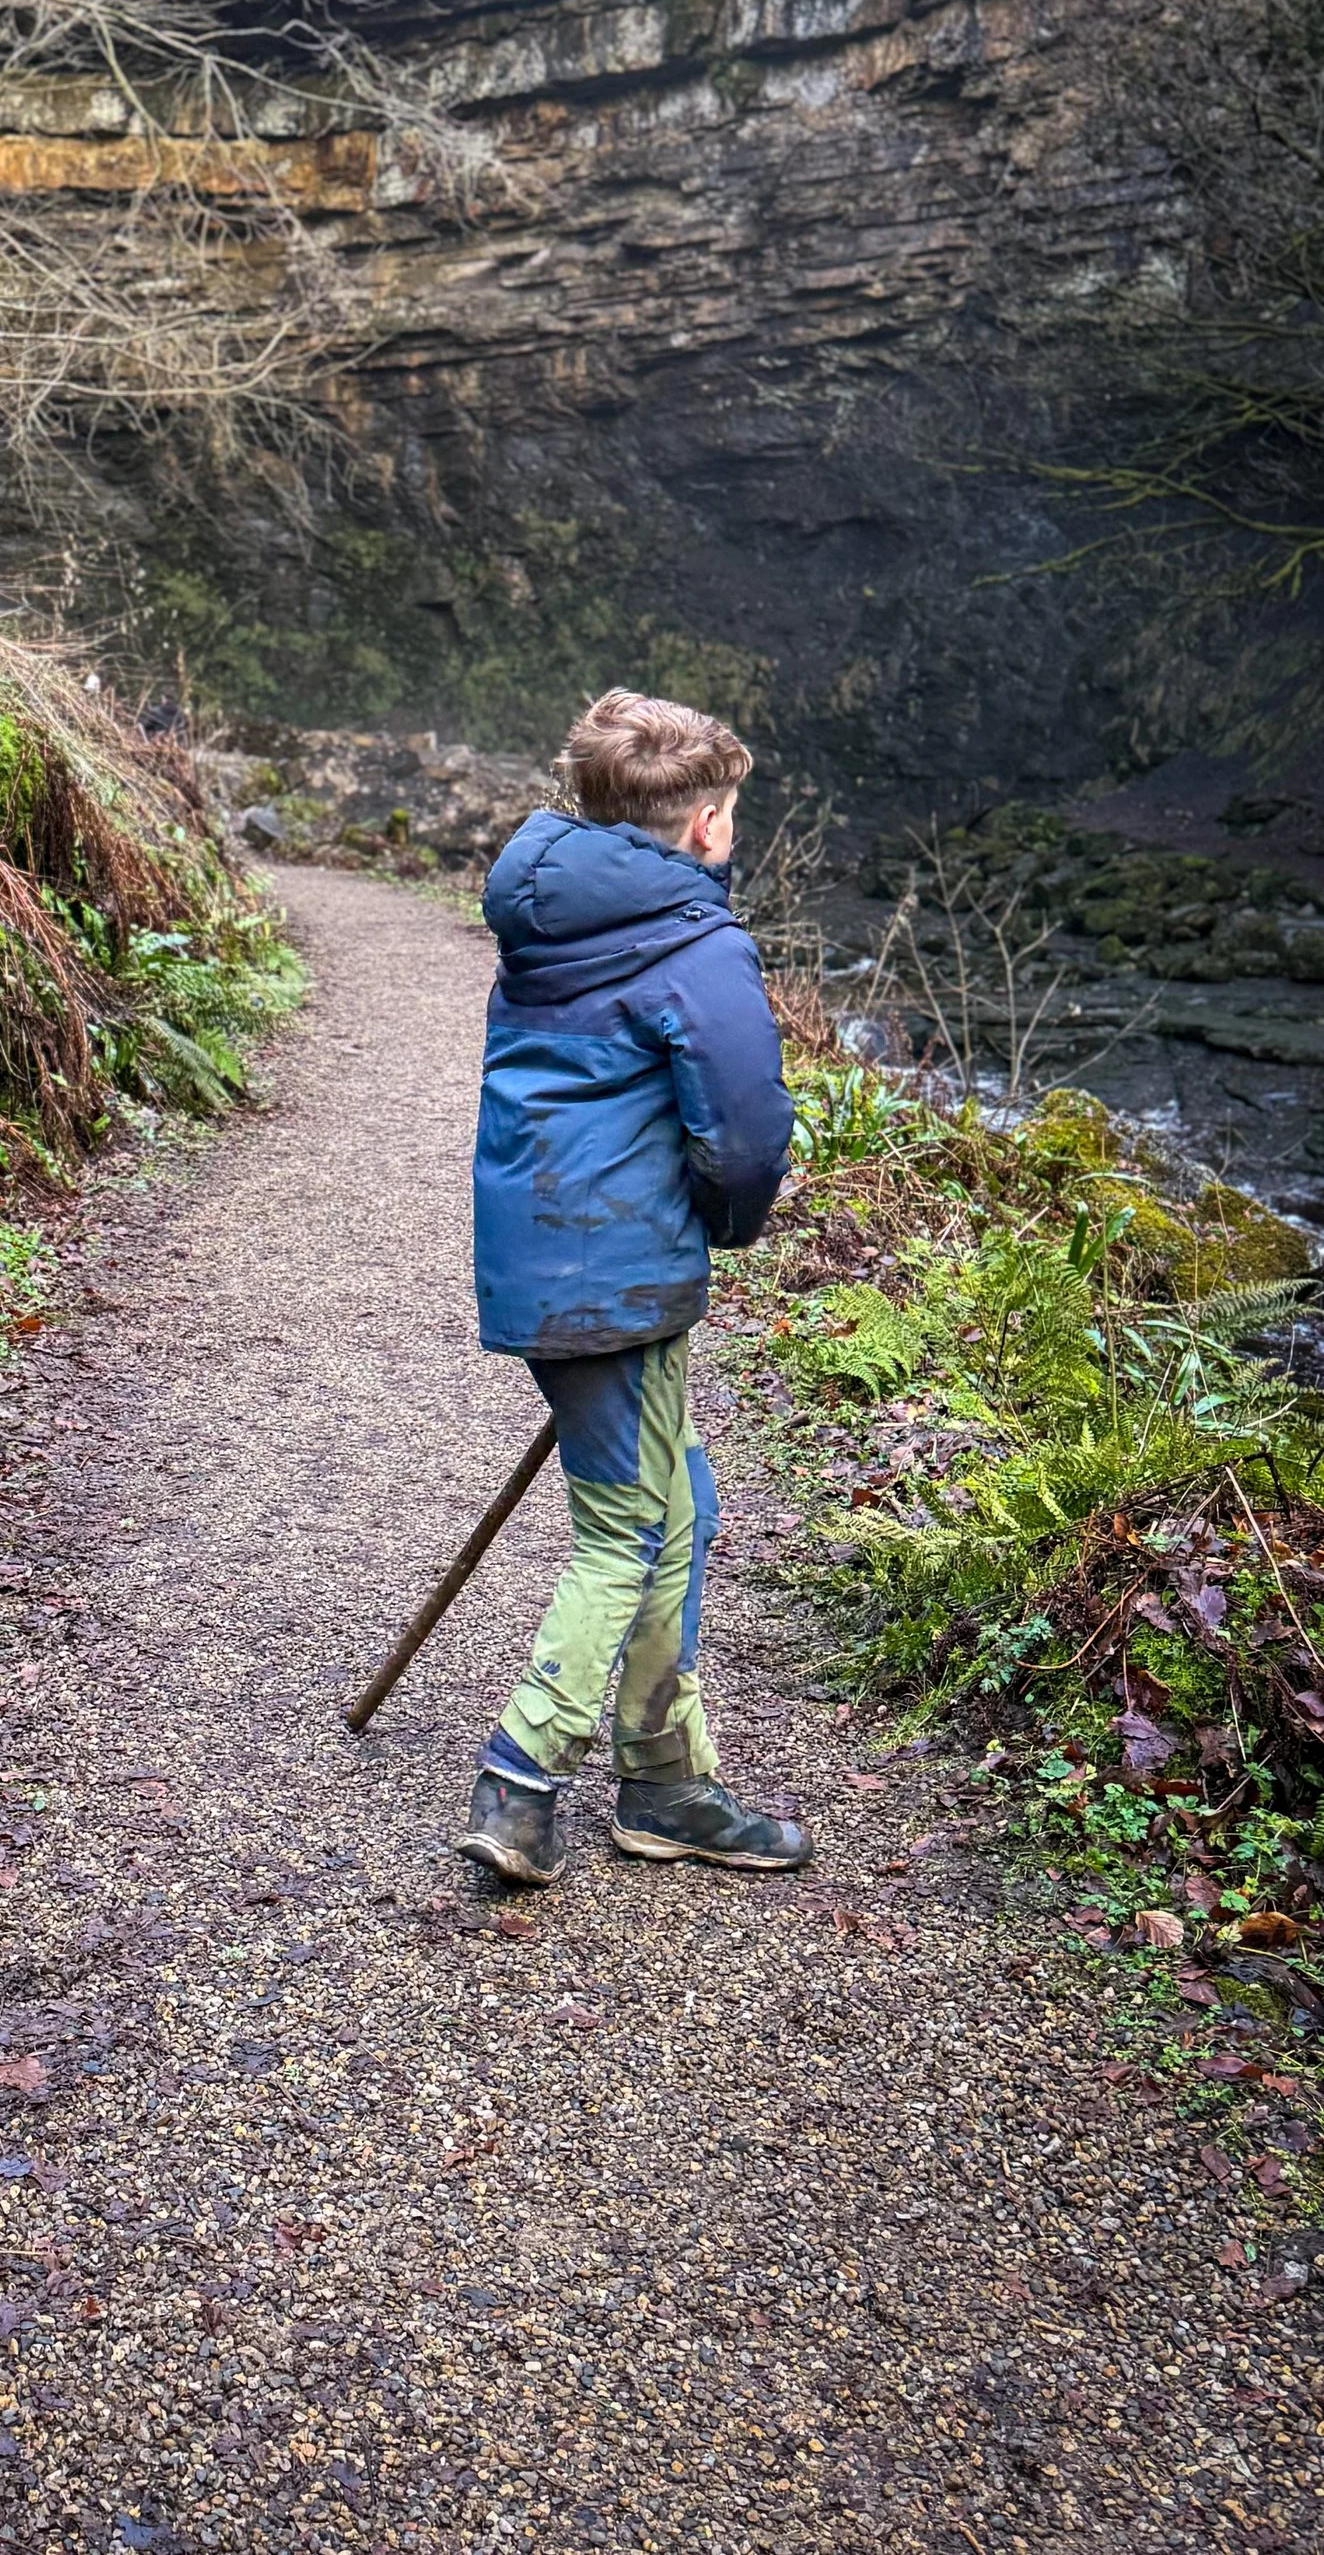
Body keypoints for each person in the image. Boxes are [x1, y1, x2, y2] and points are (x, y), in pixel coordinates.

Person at [455, 688, 812, 1886]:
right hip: (615, 1270)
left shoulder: (548, 912)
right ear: (707, 826)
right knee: (634, 1528)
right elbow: (746, 1135)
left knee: (684, 1505)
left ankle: (665, 1782)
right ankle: (519, 1773)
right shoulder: (695, 946)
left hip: (552, 1258)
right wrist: (730, 1221)